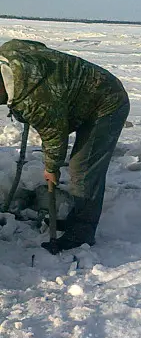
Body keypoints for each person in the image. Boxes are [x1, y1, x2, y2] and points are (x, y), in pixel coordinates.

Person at [0, 39, 129, 253]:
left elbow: (54, 134)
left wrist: (51, 168)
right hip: (78, 94)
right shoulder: (8, 53)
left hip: (107, 102)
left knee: (83, 168)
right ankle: (77, 218)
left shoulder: (37, 100)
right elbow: (34, 45)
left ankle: (82, 231)